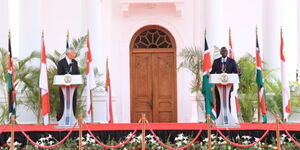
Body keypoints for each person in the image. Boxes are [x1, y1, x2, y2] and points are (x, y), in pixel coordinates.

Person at [210, 47, 238, 118]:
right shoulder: (216, 61)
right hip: (219, 86)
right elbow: (213, 72)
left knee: (227, 101)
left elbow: (236, 73)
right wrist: (209, 74)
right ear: (220, 52)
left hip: (228, 86)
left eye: (226, 51)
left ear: (227, 52)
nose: (224, 52)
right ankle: (219, 117)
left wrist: (239, 73)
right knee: (218, 102)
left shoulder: (232, 61)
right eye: (223, 51)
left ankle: (228, 118)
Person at [56, 47, 80, 121]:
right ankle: (63, 119)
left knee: (73, 103)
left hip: (73, 88)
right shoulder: (60, 63)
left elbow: (78, 74)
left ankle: (72, 119)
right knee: (64, 103)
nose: (75, 54)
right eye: (74, 53)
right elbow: (59, 75)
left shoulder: (75, 62)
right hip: (64, 88)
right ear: (69, 53)